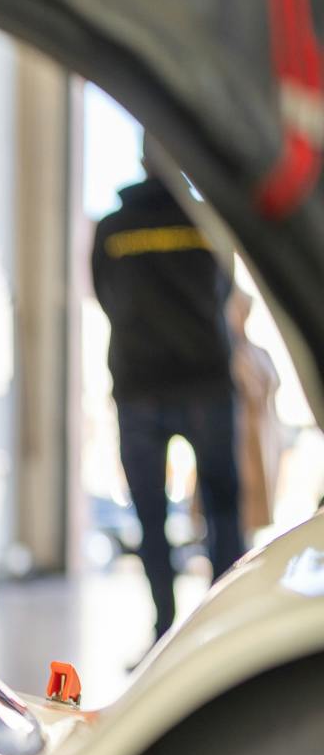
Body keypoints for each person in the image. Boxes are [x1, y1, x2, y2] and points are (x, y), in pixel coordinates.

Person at [92, 163, 243, 642]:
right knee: (222, 510)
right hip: (205, 381)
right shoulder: (206, 221)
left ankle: (163, 632)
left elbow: (104, 293)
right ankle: (226, 627)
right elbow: (224, 286)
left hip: (139, 383)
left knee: (150, 517)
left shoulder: (112, 229)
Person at [228, 288, 283, 537]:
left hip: (263, 439)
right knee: (235, 509)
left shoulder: (258, 353)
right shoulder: (229, 355)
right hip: (239, 441)